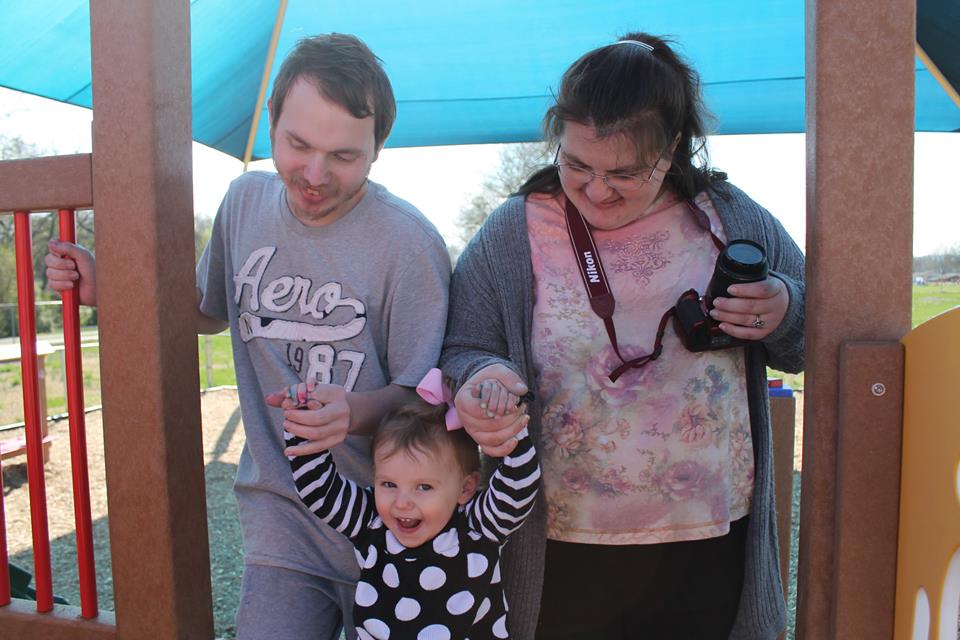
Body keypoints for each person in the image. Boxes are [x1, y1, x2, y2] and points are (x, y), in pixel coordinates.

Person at [45, 34, 453, 640]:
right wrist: (108, 286)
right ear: (271, 124)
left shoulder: (410, 245)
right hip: (282, 507)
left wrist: (357, 412)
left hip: (396, 516)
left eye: (343, 156)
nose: (314, 175)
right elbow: (206, 310)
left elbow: (424, 398)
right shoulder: (243, 202)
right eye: (297, 145)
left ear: (377, 150)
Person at [441, 33, 805, 640]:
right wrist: (480, 379)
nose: (597, 189)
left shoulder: (729, 216)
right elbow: (461, 348)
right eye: (577, 164)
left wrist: (785, 309)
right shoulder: (513, 229)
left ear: (674, 150)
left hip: (709, 540)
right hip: (560, 542)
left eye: (626, 172)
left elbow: (812, 331)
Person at [274, 373, 540, 640]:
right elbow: (319, 490)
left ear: (465, 488)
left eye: (424, 487)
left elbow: (519, 483)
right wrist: (303, 421)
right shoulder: (372, 523)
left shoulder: (477, 528)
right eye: (389, 484)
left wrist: (506, 423)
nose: (402, 503)